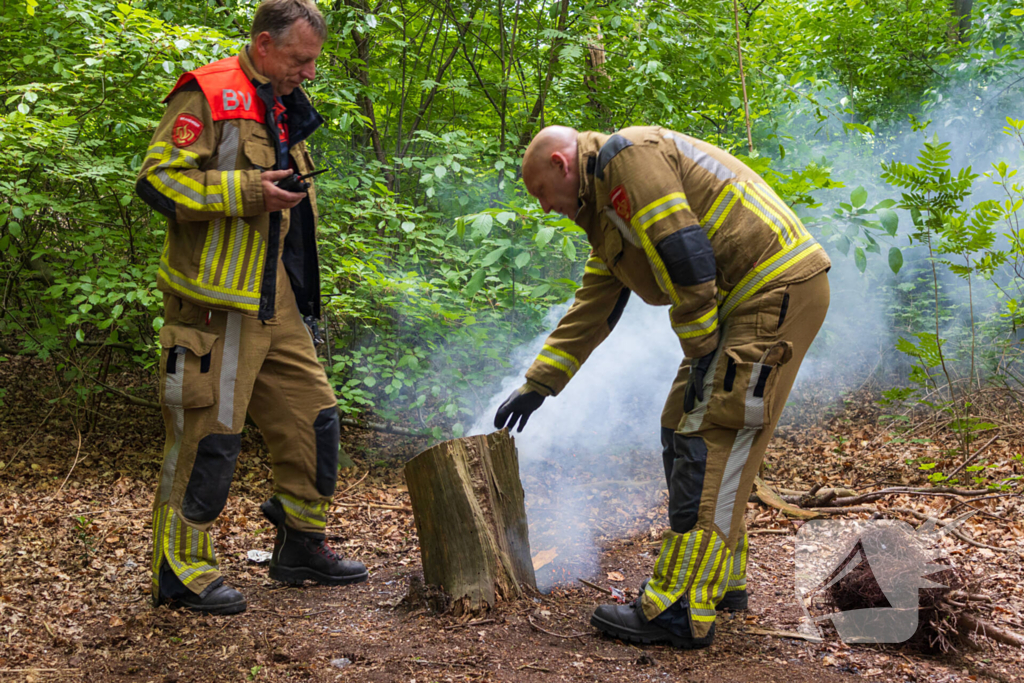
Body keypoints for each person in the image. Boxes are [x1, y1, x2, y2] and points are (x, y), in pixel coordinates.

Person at [495, 125, 831, 648]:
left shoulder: (626, 158)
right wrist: (539, 383)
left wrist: (700, 349)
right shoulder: (606, 209)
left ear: (562, 165)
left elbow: (686, 254)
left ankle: (678, 609)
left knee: (709, 442)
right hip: (743, 303)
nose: (542, 207)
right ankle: (719, 582)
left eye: (541, 192)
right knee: (680, 429)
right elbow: (595, 305)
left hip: (771, 291)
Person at [135, 0, 367, 616]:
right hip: (215, 299)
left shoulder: (282, 102)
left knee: (313, 419)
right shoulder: (208, 94)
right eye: (300, 59)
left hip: (276, 298)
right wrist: (244, 191)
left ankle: (300, 546)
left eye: (313, 61)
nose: (308, 73)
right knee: (206, 438)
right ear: (264, 44)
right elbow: (157, 180)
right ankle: (180, 572)